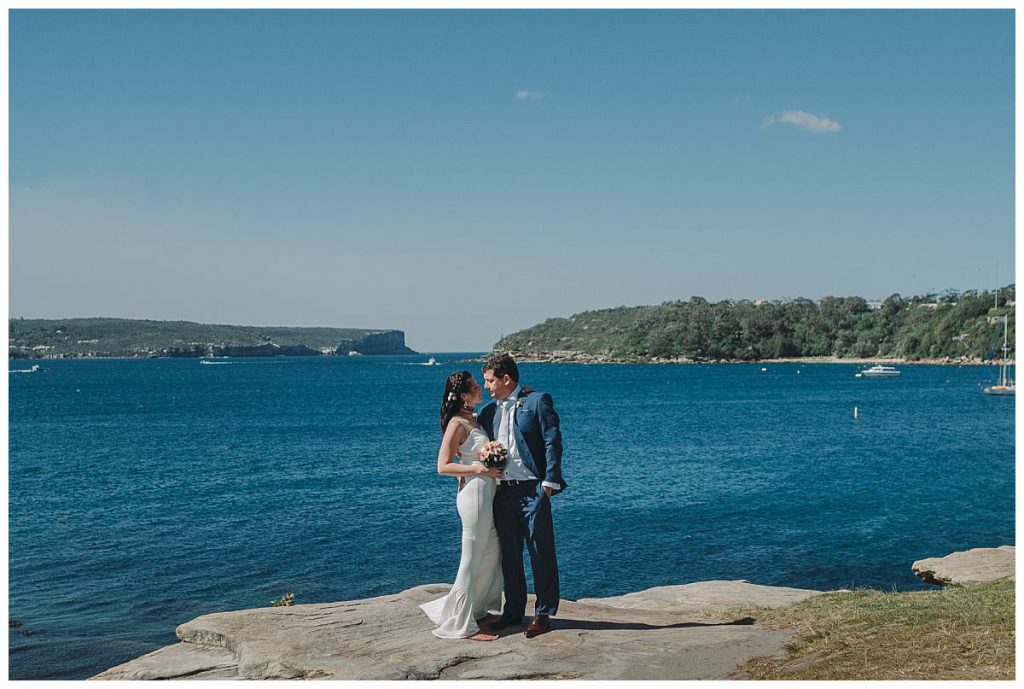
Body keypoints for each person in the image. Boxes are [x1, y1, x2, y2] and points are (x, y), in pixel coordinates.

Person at [478, 353, 566, 638]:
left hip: (533, 489)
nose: (487, 387)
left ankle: (544, 614)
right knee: (510, 555)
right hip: (503, 493)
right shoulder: (489, 412)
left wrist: (550, 481)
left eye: (490, 381)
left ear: (506, 379)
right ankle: (513, 611)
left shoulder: (536, 401)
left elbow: (553, 440)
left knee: (541, 553)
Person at [418, 371, 505, 641]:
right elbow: (443, 466)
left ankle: (476, 609)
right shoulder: (457, 423)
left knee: (490, 552)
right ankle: (461, 625)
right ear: (464, 395)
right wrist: (478, 469)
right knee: (471, 558)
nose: (481, 389)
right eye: (475, 387)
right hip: (475, 495)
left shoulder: (473, 419)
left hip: (487, 492)